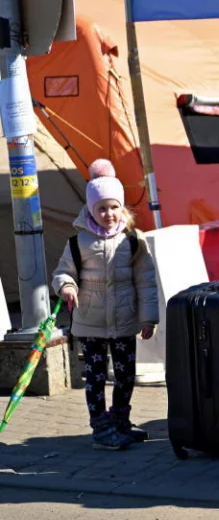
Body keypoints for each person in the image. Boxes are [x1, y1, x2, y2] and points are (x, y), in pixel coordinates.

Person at [52, 159, 158, 452]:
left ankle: (121, 420)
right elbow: (62, 273)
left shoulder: (133, 241)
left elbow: (146, 282)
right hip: (90, 322)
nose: (108, 214)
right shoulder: (79, 243)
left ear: (121, 207)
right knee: (96, 379)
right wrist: (67, 286)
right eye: (101, 208)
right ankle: (100, 427)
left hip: (125, 321)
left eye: (113, 207)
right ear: (90, 210)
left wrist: (149, 318)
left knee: (125, 374)